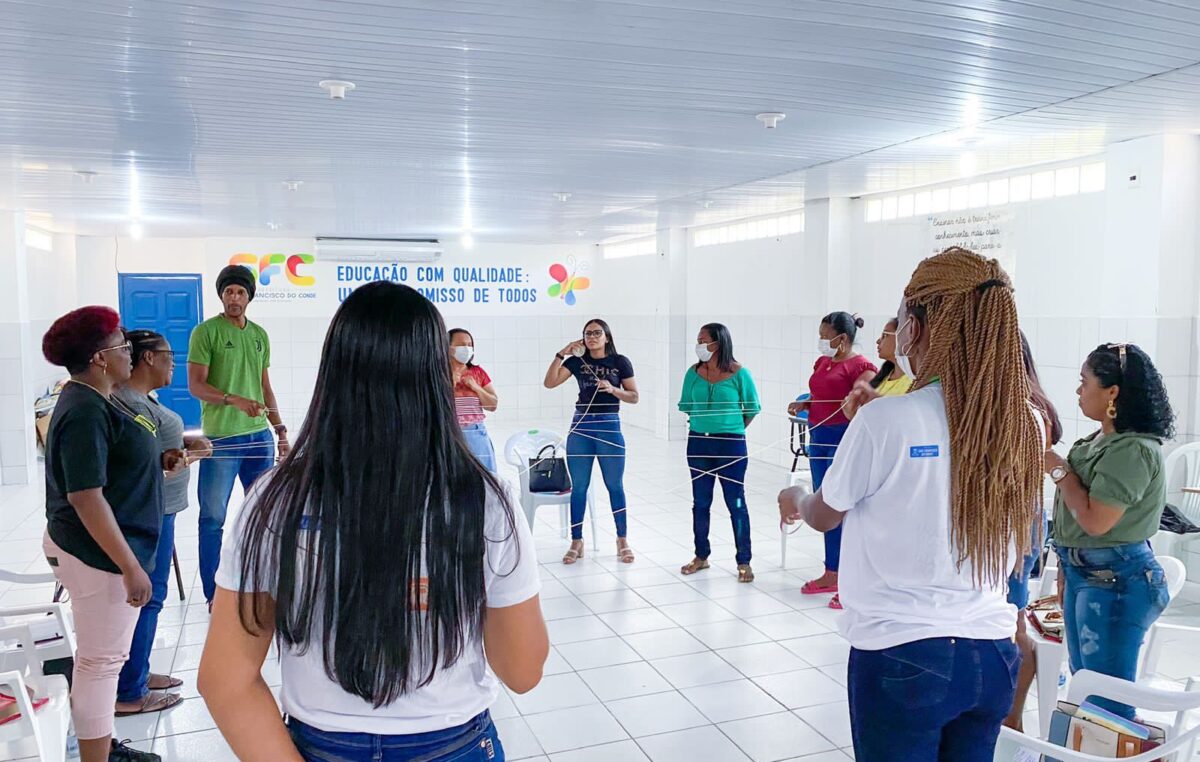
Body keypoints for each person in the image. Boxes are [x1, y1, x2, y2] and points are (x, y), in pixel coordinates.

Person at [198, 282, 548, 762]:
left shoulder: (274, 499)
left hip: (320, 745)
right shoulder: (484, 499)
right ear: (434, 375)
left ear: (334, 373)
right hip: (452, 744)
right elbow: (523, 671)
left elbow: (224, 680)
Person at [778, 247, 1042, 761]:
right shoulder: (1023, 424)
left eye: (900, 321)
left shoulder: (886, 422)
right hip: (991, 655)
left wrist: (795, 496)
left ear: (918, 327)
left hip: (902, 655)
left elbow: (824, 514)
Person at [41, 306, 186, 762]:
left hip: (105, 546)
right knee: (100, 666)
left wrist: (159, 463)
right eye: (124, 347)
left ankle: (99, 744)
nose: (132, 355)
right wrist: (129, 567)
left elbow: (109, 474)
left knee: (100, 662)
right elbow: (86, 497)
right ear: (101, 357)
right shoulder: (84, 408)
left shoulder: (95, 399)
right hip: (100, 555)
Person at [1046, 342, 1174, 720]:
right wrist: (1067, 568)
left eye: (1084, 382)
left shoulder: (1132, 449)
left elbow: (1095, 522)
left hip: (1116, 581)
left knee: (1106, 701)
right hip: (1087, 573)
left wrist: (1057, 469)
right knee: (1085, 683)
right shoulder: (1098, 440)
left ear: (1112, 392)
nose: (1078, 391)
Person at [114, 330, 214, 717]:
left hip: (159, 511)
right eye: (168, 355)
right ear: (148, 358)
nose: (174, 362)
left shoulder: (143, 401)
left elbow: (158, 455)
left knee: (150, 601)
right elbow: (148, 467)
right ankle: (130, 690)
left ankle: (136, 673)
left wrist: (189, 451)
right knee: (148, 599)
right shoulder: (128, 404)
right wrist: (191, 457)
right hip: (147, 515)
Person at [187, 264, 289, 606]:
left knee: (263, 513)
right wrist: (233, 399)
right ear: (221, 295)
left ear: (249, 297)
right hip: (221, 440)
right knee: (213, 517)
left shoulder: (259, 335)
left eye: (240, 292)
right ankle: (213, 593)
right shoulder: (206, 332)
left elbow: (265, 388)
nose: (234, 297)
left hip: (259, 438)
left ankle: (261, 582)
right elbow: (196, 386)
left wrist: (280, 430)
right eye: (229, 292)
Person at [787, 312, 876, 608]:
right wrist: (806, 402)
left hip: (843, 440)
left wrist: (851, 400)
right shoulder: (824, 362)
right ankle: (831, 572)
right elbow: (819, 392)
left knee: (845, 509)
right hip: (819, 437)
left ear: (843, 338)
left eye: (826, 335)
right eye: (821, 334)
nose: (822, 340)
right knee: (825, 505)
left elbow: (861, 402)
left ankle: (851, 581)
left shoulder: (861, 366)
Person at [1003, 330, 1062, 730]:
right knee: (1012, 616)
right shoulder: (1035, 402)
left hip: (1014, 523)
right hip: (1022, 521)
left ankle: (1013, 720)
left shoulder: (1020, 407)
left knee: (1012, 622)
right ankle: (1010, 718)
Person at [543, 319, 639, 565]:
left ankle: (622, 539)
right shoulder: (575, 362)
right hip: (581, 425)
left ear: (607, 336)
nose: (592, 337)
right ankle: (577, 540)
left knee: (614, 485)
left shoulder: (620, 362)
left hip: (609, 425)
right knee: (580, 486)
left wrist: (613, 390)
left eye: (597, 333)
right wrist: (561, 353)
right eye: (588, 333)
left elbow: (634, 397)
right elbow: (550, 383)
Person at [678, 324, 762, 583]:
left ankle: (744, 560)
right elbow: (687, 407)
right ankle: (701, 556)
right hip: (698, 444)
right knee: (701, 503)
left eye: (703, 340)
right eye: (698, 340)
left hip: (731, 446)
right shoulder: (693, 373)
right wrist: (707, 427)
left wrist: (729, 429)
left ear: (718, 343)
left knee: (736, 503)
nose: (699, 345)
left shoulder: (740, 373)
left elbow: (751, 409)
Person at [449, 328, 500, 472]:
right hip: (449, 431)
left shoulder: (478, 372)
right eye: (461, 344)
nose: (466, 348)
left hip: (475, 433)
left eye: (469, 345)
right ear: (447, 347)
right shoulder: (438, 373)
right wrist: (450, 383)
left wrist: (476, 387)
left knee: (484, 477)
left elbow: (493, 404)